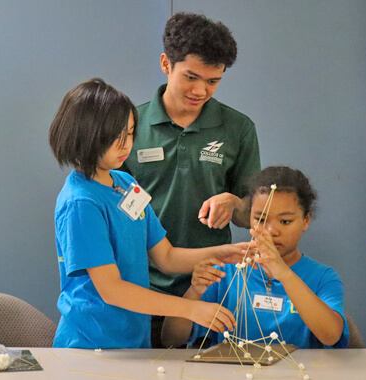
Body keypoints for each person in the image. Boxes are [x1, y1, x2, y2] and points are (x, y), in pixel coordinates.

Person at [49, 78, 243, 349]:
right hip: (90, 344)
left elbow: (166, 257)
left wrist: (223, 254)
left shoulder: (127, 184)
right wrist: (190, 309)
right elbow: (112, 289)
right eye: (115, 137)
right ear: (84, 135)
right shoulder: (81, 203)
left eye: (129, 134)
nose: (126, 145)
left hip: (134, 342)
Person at [119, 12, 261, 348]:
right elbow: (116, 211)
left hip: (213, 289)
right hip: (144, 291)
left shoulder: (238, 128)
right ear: (166, 64)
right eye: (191, 77)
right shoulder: (129, 126)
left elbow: (252, 215)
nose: (200, 91)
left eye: (213, 81)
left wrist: (235, 202)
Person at [162, 166, 350, 349]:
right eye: (260, 220)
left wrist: (282, 272)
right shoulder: (225, 272)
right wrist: (194, 291)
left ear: (306, 221)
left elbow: (331, 336)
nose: (270, 231)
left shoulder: (323, 278)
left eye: (285, 221)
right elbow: (171, 339)